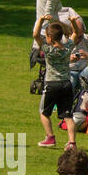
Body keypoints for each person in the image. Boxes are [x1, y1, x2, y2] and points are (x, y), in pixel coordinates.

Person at [33, 15, 78, 150]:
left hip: (52, 84)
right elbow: (76, 33)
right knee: (68, 115)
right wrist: (73, 22)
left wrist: (40, 20)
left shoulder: (48, 49)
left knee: (44, 112)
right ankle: (72, 143)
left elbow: (35, 35)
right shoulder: (68, 47)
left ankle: (50, 137)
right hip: (66, 84)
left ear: (49, 38)